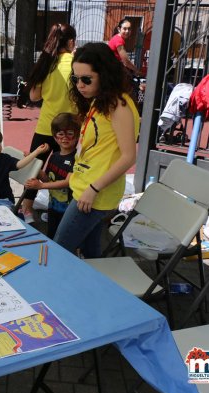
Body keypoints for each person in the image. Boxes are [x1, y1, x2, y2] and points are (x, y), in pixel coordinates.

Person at [53, 42, 140, 258]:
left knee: (58, 250)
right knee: (91, 254)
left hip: (95, 193)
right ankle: (94, 290)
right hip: (86, 186)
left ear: (104, 74)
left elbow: (129, 157)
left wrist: (93, 188)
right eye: (75, 79)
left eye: (86, 79)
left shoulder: (119, 106)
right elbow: (97, 148)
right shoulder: (99, 100)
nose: (80, 85)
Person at [22, 23, 77, 223]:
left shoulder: (47, 62)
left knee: (35, 168)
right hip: (70, 130)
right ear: (71, 42)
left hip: (46, 126)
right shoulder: (76, 62)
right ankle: (62, 211)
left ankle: (26, 209)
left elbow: (35, 96)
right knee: (66, 172)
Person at [24, 113, 80, 239]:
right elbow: (48, 178)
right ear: (54, 137)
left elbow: (68, 182)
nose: (65, 138)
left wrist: (41, 186)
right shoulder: (55, 156)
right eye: (60, 134)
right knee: (52, 235)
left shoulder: (76, 158)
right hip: (53, 207)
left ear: (77, 135)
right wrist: (33, 162)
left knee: (66, 238)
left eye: (70, 134)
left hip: (69, 210)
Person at [0, 125, 49, 204]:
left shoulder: (4, 159)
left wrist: (36, 152)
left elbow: (19, 164)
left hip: (5, 201)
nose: (0, 147)